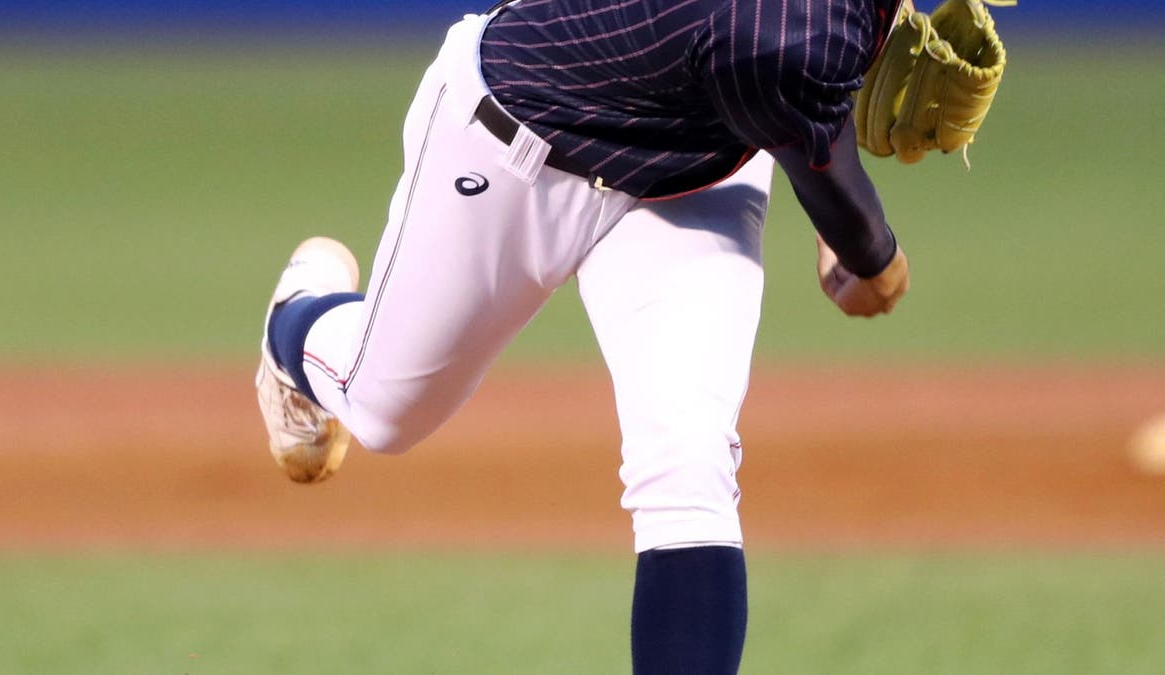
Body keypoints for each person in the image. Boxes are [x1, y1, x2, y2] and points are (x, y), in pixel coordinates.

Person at [255, 0, 910, 672]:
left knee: (687, 460)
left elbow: (794, 73)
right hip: (514, 139)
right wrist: (870, 252)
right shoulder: (781, 36)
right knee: (384, 411)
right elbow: (786, 66)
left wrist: (834, 122)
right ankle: (297, 318)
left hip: (688, 177)